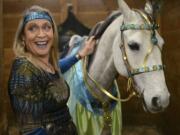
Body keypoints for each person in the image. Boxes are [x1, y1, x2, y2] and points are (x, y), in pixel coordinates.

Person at [8, 5, 96, 135]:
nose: (41, 34)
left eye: (46, 27)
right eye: (32, 28)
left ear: (53, 33)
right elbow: (31, 130)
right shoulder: (24, 69)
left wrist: (80, 54)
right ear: (23, 37)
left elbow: (57, 68)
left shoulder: (48, 65)